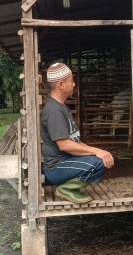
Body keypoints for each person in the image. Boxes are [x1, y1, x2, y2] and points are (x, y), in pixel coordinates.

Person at [41, 62, 115, 203]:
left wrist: (96, 151)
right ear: (61, 84)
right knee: (97, 163)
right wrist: (95, 151)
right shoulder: (54, 111)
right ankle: (65, 189)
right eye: (71, 81)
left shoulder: (62, 107)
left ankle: (70, 186)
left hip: (66, 161)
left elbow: (74, 141)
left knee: (100, 159)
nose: (74, 84)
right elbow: (65, 145)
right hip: (57, 167)